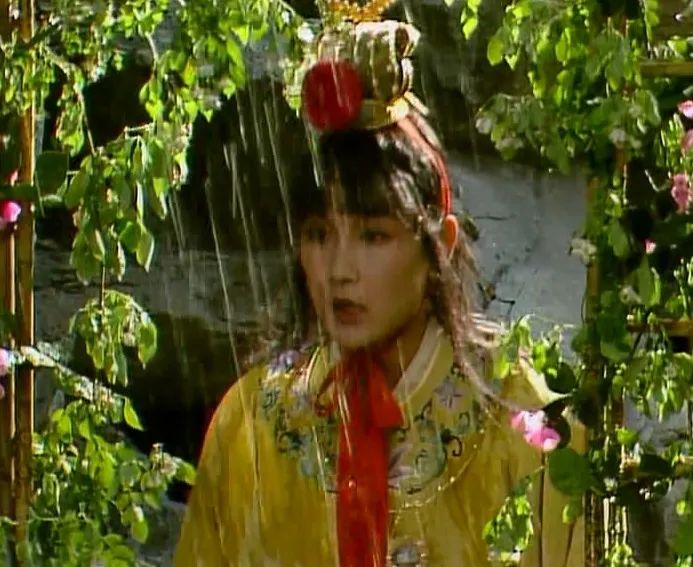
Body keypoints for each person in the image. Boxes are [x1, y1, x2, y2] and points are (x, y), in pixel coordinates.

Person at [173, 12, 584, 567]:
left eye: (373, 236)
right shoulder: (252, 422)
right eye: (319, 235)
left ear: (439, 246)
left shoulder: (520, 425)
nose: (339, 270)